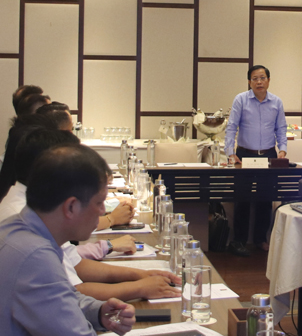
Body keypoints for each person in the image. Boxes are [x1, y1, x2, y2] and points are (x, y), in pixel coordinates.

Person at [0, 128, 181, 301]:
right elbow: (73, 295)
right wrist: (138, 288)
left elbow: (76, 264)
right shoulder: (32, 232)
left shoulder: (35, 211)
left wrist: (140, 275)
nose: (102, 210)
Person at [0, 144, 135, 336]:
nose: (102, 212)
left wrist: (97, 312)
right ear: (71, 206)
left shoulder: (15, 228)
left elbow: (59, 298)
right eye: (99, 203)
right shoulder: (35, 257)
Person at [224, 65, 287, 257]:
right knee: (242, 198)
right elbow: (231, 127)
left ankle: (261, 239)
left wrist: (282, 149)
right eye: (255, 78)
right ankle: (239, 241)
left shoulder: (276, 102)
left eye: (262, 78)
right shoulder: (241, 100)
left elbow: (281, 128)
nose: (259, 82)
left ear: (269, 80)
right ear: (249, 82)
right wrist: (230, 152)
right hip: (245, 155)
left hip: (268, 155)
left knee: (265, 198)